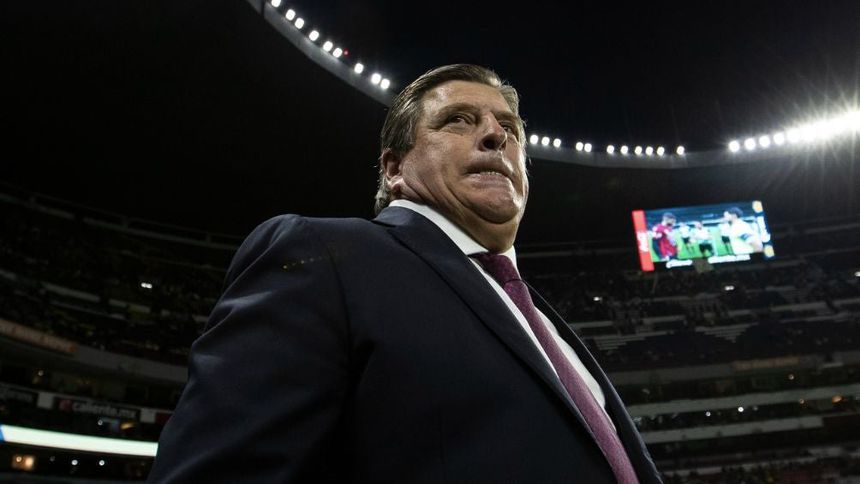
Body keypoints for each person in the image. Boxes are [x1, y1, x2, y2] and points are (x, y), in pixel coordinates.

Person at [148, 64, 661, 483]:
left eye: (509, 128)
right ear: (393, 168)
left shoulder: (539, 317)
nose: (495, 136)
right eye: (459, 120)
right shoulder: (326, 255)